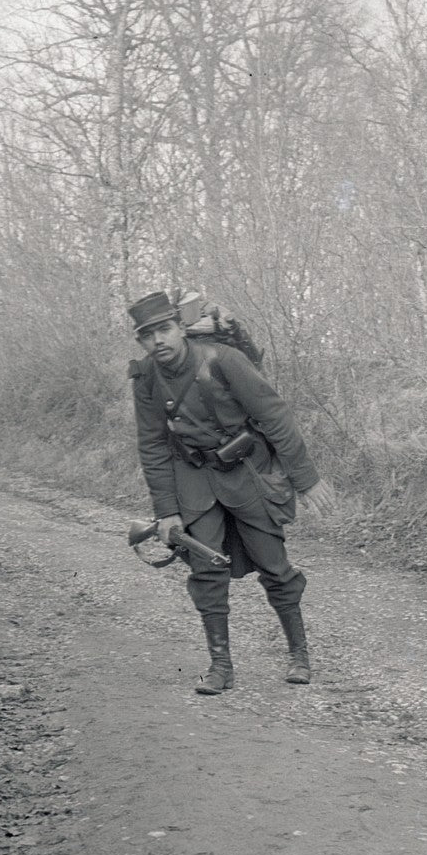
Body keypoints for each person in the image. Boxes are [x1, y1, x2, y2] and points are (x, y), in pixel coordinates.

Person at [127, 289, 325, 696]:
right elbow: (152, 444)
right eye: (149, 335)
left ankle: (299, 656)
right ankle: (220, 667)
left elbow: (275, 415)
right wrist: (166, 510)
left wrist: (304, 478)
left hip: (247, 472)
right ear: (141, 341)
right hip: (193, 479)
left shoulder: (222, 359)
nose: (158, 341)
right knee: (206, 571)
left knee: (275, 566)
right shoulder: (145, 376)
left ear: (181, 328)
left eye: (165, 330)